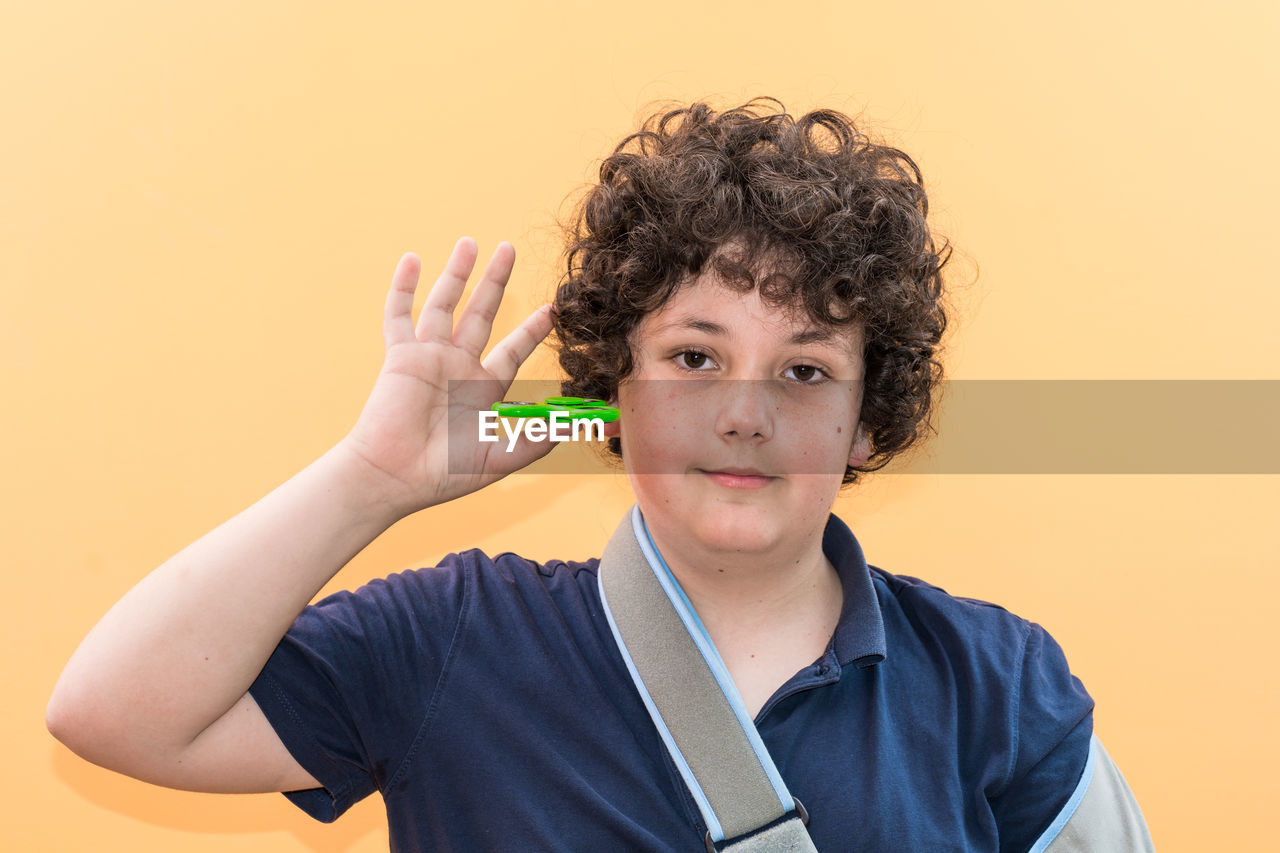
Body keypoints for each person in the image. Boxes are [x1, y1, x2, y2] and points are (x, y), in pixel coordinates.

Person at [47, 98, 1153, 851]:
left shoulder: (993, 681)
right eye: (691, 356)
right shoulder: (455, 639)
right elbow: (112, 714)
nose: (740, 412)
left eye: (805, 370)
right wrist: (370, 479)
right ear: (610, 394)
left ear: (867, 425)